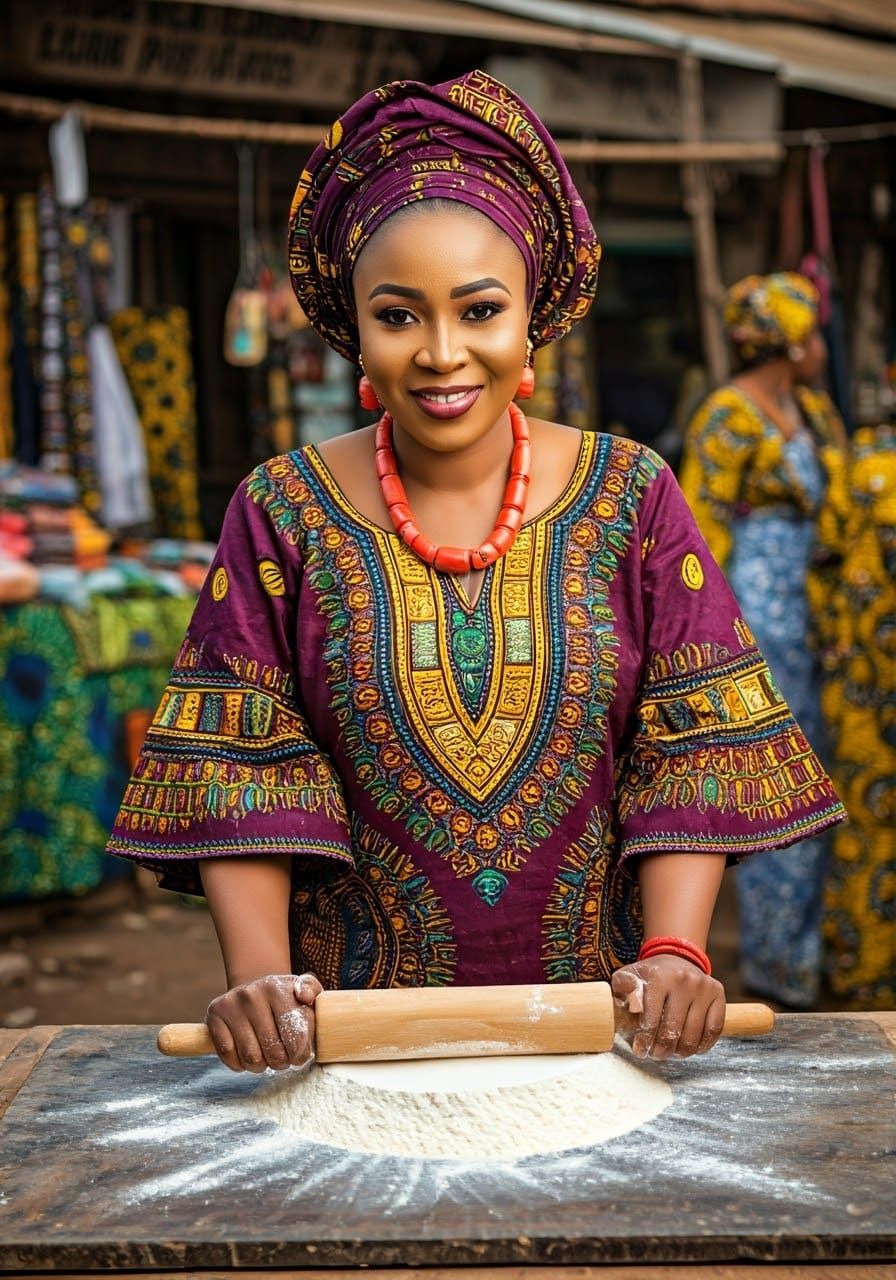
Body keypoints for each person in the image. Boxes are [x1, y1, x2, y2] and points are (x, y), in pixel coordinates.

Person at [108, 74, 844, 1073]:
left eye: (479, 308)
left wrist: (673, 952)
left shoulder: (631, 495)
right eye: (399, 315)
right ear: (351, 326)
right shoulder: (279, 510)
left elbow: (692, 742)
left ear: (532, 312)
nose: (442, 353)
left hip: (600, 1039)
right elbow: (243, 764)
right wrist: (263, 980)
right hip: (354, 1055)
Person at [679, 272, 849, 1008]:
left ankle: (808, 954)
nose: (818, 346)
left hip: (812, 616)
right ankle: (774, 965)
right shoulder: (727, 416)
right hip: (756, 615)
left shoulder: (809, 409)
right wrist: (714, 636)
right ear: (786, 338)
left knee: (816, 779)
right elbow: (700, 532)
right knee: (769, 773)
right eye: (808, 331)